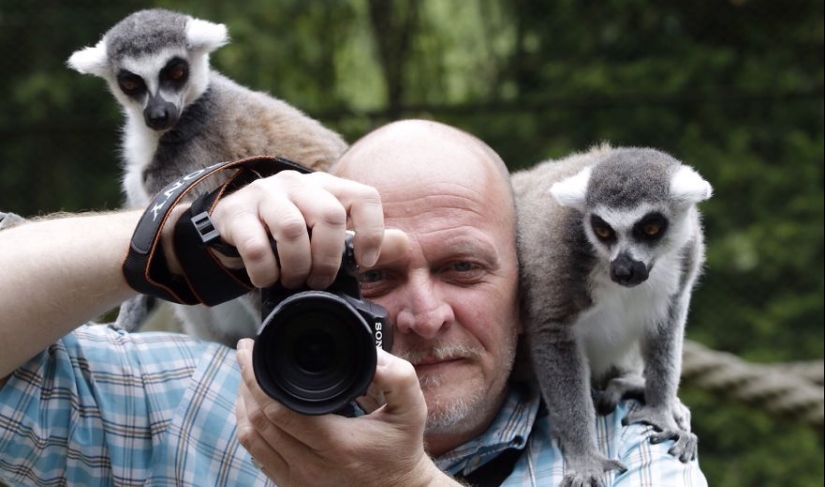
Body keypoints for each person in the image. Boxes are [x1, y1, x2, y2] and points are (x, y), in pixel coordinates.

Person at [0, 120, 708, 486]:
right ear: (323, 282)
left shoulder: (626, 458)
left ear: (525, 290)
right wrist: (169, 232)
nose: (424, 316)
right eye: (375, 275)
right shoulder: (210, 412)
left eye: (463, 269)